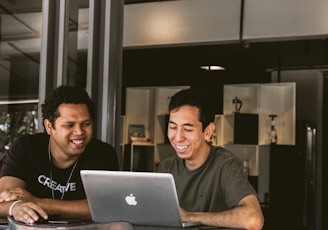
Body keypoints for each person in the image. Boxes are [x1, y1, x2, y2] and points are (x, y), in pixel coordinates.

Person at [0, 85, 119, 224]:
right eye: (69, 125)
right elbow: (4, 198)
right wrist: (15, 207)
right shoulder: (27, 147)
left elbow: (106, 207)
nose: (79, 132)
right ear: (49, 127)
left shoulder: (103, 154)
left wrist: (38, 202)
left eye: (86, 124)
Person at [158, 88, 264, 230]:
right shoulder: (166, 167)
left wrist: (189, 217)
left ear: (208, 132)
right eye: (172, 127)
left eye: (188, 129)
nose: (178, 137)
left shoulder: (226, 165)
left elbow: (253, 219)